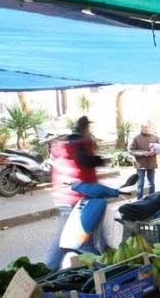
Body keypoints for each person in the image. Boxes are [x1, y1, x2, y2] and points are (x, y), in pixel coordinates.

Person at [45, 116, 104, 271]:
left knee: (90, 231)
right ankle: (102, 265)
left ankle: (105, 256)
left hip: (67, 196)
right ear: (85, 129)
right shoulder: (79, 145)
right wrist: (99, 160)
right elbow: (85, 161)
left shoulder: (65, 145)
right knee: (78, 239)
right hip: (76, 198)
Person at [129, 120, 160, 200]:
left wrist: (154, 152)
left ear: (151, 127)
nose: (146, 129)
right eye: (145, 127)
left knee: (151, 184)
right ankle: (139, 201)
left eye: (148, 127)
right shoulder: (136, 138)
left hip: (151, 163)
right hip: (140, 165)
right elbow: (131, 150)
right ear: (142, 127)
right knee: (140, 184)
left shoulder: (155, 137)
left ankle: (152, 201)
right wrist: (143, 153)